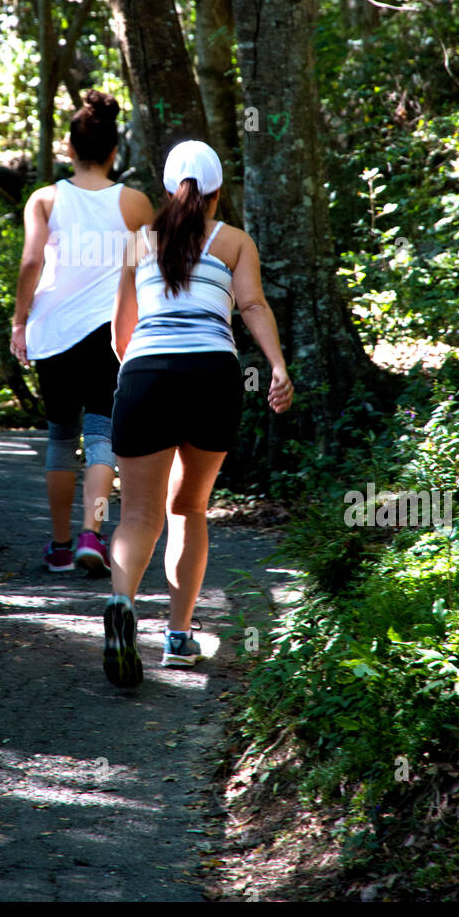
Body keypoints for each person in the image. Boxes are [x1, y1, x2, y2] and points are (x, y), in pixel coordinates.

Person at [102, 140, 293, 686]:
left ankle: (121, 605)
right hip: (212, 376)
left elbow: (122, 330)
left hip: (145, 375)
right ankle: (179, 638)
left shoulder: (140, 243)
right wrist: (277, 366)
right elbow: (253, 305)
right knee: (188, 506)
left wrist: (138, 377)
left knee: (139, 515)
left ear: (166, 189)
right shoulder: (233, 240)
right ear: (217, 193)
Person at [11, 91, 154, 574]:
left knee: (58, 438)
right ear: (116, 151)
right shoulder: (135, 204)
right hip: (112, 335)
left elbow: (32, 261)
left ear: (69, 148)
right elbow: (151, 271)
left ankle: (59, 546)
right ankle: (92, 535)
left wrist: (19, 321)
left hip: (53, 333)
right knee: (100, 438)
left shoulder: (45, 199)